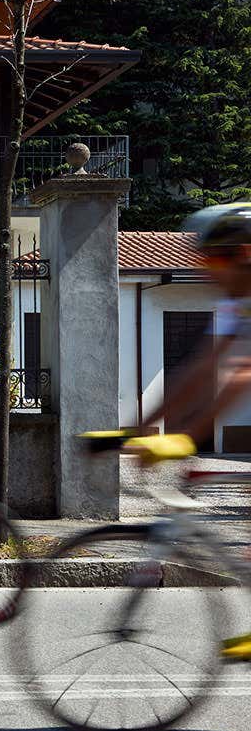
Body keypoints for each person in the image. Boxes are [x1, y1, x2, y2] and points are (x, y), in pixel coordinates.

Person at [123, 203, 251, 659]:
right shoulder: (236, 303)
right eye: (204, 259)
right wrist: (143, 424)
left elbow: (240, 375)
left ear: (245, 255)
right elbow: (203, 368)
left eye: (217, 258)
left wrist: (187, 435)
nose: (208, 268)